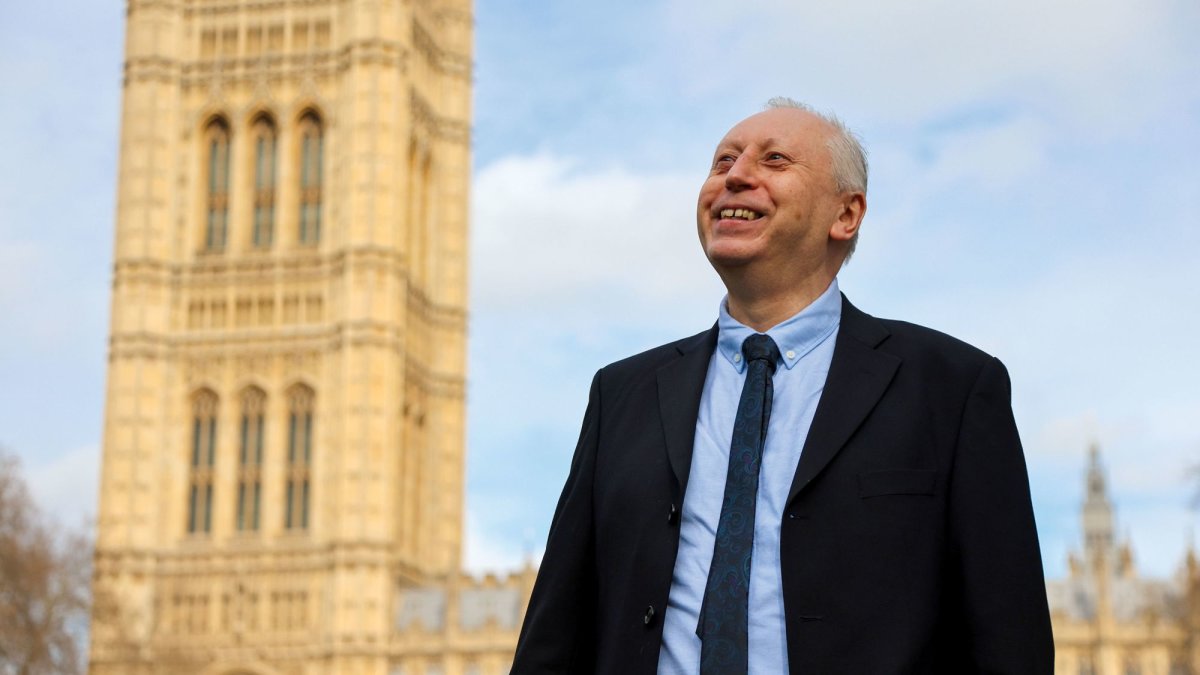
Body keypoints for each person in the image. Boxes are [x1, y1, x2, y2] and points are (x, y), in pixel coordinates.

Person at [511, 98, 1054, 674]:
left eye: (774, 160)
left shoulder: (953, 387)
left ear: (844, 215)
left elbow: (1007, 637)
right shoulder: (621, 394)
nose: (736, 175)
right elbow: (557, 631)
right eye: (722, 162)